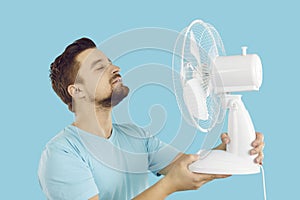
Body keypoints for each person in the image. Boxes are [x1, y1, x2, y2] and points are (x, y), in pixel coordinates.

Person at [38, 38, 265, 200]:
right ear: (76, 91)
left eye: (110, 62)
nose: (115, 68)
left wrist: (232, 150)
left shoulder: (136, 136)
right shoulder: (61, 154)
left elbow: (191, 169)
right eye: (100, 68)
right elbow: (176, 179)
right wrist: (168, 186)